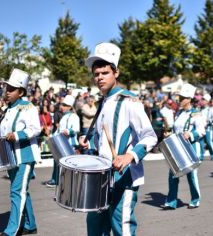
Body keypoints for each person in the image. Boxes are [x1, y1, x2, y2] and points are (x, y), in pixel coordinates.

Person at [79, 42, 157, 236]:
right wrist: (88, 141)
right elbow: (103, 138)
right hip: (101, 177)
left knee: (121, 228)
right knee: (95, 229)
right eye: (96, 74)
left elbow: (150, 136)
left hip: (125, 177)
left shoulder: (129, 101)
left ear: (116, 73)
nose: (99, 78)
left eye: (104, 73)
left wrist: (129, 156)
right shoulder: (103, 102)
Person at [0, 69, 41, 236]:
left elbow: (35, 129)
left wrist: (15, 135)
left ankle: (12, 231)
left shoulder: (28, 107)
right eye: (6, 88)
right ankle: (30, 225)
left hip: (25, 155)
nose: (7, 92)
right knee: (22, 190)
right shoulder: (9, 108)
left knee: (17, 191)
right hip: (11, 156)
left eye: (11, 89)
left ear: (21, 92)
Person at [163, 83, 206, 210]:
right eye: (179, 98)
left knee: (192, 175)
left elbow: (202, 131)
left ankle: (195, 199)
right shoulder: (179, 113)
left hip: (191, 148)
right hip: (178, 147)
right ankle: (171, 202)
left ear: (189, 99)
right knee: (173, 174)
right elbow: (176, 129)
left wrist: (191, 134)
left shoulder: (196, 113)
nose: (179, 100)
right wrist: (168, 133)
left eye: (182, 98)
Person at [45, 94, 80, 188]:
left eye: (64, 105)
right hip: (61, 142)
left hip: (69, 143)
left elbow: (76, 129)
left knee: (68, 163)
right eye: (62, 104)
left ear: (70, 107)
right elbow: (59, 130)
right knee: (57, 161)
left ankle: (69, 182)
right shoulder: (64, 117)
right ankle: (55, 179)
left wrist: (68, 131)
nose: (62, 107)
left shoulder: (74, 116)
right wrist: (51, 136)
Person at [199, 93, 213, 161]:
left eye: (204, 100)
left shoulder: (210, 109)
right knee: (201, 142)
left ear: (207, 101)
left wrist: (209, 120)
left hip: (208, 128)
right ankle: (201, 155)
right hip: (201, 128)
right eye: (202, 100)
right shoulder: (200, 109)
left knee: (209, 142)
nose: (202, 101)